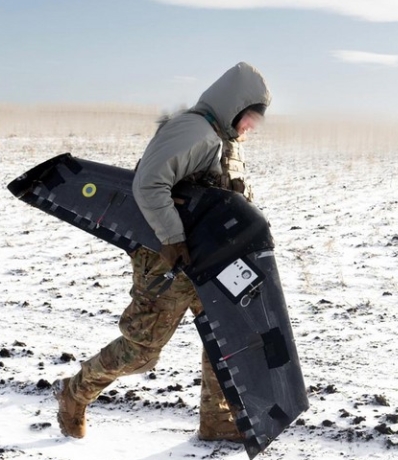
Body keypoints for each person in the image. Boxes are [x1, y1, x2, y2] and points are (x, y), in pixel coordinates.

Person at [52, 62, 271, 442]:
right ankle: (75, 392)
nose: (252, 126)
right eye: (250, 116)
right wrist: (172, 240)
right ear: (234, 106)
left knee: (222, 339)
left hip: (209, 260)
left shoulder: (221, 138)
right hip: (167, 259)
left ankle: (217, 421)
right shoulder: (193, 131)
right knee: (141, 349)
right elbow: (149, 184)